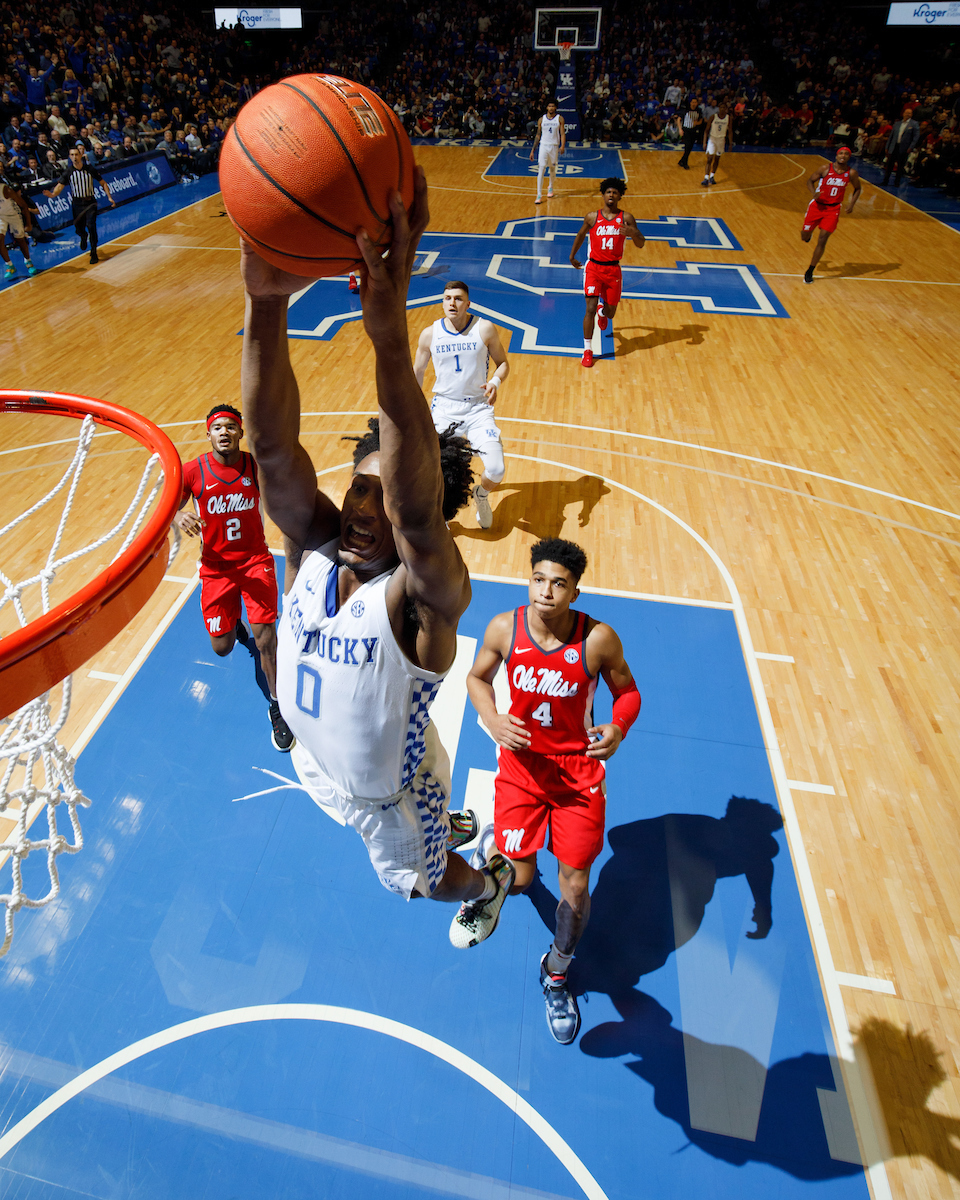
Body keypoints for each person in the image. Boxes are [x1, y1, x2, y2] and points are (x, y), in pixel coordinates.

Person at [239, 168, 516, 926]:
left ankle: (485, 884)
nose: (366, 507)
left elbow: (417, 510)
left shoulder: (425, 596)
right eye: (358, 488)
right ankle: (454, 842)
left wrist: (390, 335)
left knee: (426, 883)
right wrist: (265, 301)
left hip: (391, 799)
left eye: (385, 495)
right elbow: (270, 447)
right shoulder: (316, 543)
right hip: (314, 760)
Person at [459, 538, 640, 1043]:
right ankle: (500, 850)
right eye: (539, 579)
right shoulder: (503, 627)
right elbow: (477, 678)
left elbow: (628, 693)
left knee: (576, 890)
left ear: (575, 591)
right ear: (529, 580)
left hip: (577, 777)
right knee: (519, 880)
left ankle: (556, 972)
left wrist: (617, 729)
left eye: (559, 583)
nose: (546, 591)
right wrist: (492, 719)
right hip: (521, 771)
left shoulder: (597, 640)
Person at [174, 404, 295, 753]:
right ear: (208, 433)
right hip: (216, 569)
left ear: (241, 433)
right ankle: (236, 629)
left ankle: (277, 707)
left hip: (256, 561)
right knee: (222, 648)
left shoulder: (255, 467)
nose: (224, 432)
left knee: (267, 641)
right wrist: (179, 515)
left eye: (231, 426)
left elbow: (283, 492)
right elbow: (165, 503)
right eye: (217, 427)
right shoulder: (193, 470)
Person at [414, 280, 509, 530]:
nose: (452, 303)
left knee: (497, 469)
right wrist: (411, 405)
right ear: (442, 302)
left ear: (468, 303)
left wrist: (495, 382)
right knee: (436, 470)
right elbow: (417, 371)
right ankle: (442, 514)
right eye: (447, 298)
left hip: (478, 408)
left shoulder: (484, 328)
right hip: (445, 409)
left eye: (457, 298)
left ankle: (481, 494)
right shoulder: (430, 334)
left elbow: (503, 363)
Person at [568, 177, 645, 368]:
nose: (611, 195)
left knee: (610, 314)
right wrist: (572, 255)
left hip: (613, 270)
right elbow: (580, 234)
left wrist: (633, 233)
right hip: (593, 268)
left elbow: (641, 243)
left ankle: (604, 311)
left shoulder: (626, 219)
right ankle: (587, 350)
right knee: (589, 309)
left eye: (615, 192)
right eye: (608, 192)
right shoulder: (592, 217)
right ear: (603, 195)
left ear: (620, 196)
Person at [42, 146, 114, 265]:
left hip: (90, 202)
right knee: (79, 228)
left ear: (81, 155)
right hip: (77, 203)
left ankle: (94, 252)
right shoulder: (68, 172)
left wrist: (109, 197)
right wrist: (52, 194)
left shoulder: (89, 169)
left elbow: (103, 183)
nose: (75, 157)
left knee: (91, 225)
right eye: (72, 155)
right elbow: (59, 186)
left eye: (76, 154)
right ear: (70, 157)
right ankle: (83, 235)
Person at [801, 145, 861, 284]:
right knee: (804, 235)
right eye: (841, 153)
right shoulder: (825, 169)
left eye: (846, 154)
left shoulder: (851, 173)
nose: (843, 155)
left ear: (849, 157)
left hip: (833, 209)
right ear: (836, 155)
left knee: (823, 239)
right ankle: (807, 235)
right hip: (817, 206)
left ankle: (810, 270)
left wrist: (851, 204)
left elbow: (858, 188)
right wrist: (813, 193)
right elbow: (810, 180)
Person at [0, 181, 38, 279]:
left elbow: (24, 206)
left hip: (13, 215)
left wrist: (28, 224)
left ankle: (28, 261)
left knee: (20, 240)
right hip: (1, 216)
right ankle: (10, 265)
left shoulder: (5, 190)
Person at [530, 100, 565, 204]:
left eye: (552, 106)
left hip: (554, 146)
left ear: (555, 108)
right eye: (549, 106)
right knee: (541, 169)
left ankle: (551, 186)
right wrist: (533, 150)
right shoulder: (541, 119)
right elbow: (538, 135)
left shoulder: (560, 118)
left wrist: (562, 146)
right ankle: (539, 194)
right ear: (547, 107)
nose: (550, 108)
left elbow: (562, 133)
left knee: (552, 168)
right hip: (543, 146)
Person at [882, 106, 920, 187]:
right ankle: (885, 181)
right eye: (906, 113)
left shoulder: (914, 124)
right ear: (903, 114)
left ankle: (897, 182)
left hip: (904, 148)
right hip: (894, 146)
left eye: (909, 113)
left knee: (900, 166)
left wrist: (911, 147)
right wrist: (887, 147)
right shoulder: (897, 123)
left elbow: (915, 137)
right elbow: (891, 136)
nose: (907, 114)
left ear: (912, 114)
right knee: (889, 165)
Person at [701, 100, 732, 186]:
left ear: (726, 109)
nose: (722, 109)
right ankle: (706, 178)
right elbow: (706, 130)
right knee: (709, 158)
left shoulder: (728, 118)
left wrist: (730, 143)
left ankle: (712, 176)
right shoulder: (713, 117)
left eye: (724, 108)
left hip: (721, 139)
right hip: (712, 138)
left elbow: (730, 131)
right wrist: (704, 142)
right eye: (721, 107)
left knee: (717, 158)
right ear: (719, 108)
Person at [677, 96, 702, 169]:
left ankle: (682, 160)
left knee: (690, 147)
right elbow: (679, 119)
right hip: (686, 130)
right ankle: (685, 163)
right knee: (687, 145)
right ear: (690, 103)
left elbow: (701, 120)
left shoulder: (699, 110)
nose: (694, 104)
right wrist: (680, 129)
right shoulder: (686, 110)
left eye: (695, 102)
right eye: (693, 102)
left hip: (693, 130)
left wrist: (697, 123)